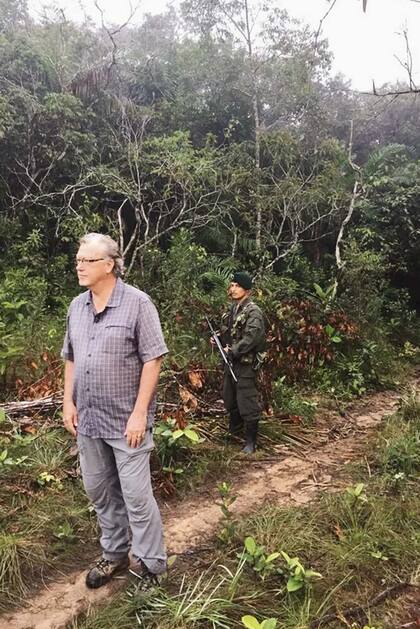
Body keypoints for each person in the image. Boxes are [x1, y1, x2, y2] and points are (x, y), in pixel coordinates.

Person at [62, 233, 168, 590]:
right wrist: (67, 402)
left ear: (109, 265)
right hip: (88, 419)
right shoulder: (77, 306)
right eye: (78, 259)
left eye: (86, 260)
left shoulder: (138, 304)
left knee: (137, 497)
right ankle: (115, 553)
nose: (79, 265)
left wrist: (140, 413)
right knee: (99, 491)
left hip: (127, 422)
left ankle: (152, 565)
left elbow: (153, 360)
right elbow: (71, 358)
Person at [218, 271, 266, 454]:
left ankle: (251, 442)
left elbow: (251, 337)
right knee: (230, 398)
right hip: (231, 362)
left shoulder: (254, 312)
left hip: (245, 364)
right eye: (232, 285)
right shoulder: (232, 310)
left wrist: (234, 350)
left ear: (246, 289)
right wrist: (219, 342)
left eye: (237, 286)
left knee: (247, 400)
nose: (233, 289)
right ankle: (235, 433)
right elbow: (230, 333)